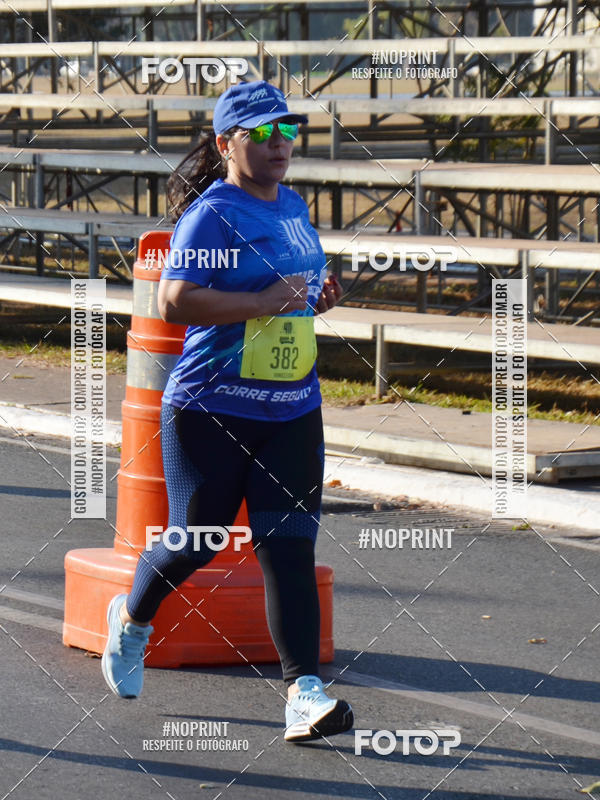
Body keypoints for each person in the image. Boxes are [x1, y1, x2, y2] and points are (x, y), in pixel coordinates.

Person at [102, 80, 352, 743]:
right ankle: (130, 620)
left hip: (292, 404)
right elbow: (175, 302)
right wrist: (266, 299)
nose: (279, 145)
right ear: (225, 143)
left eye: (286, 132)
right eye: (262, 134)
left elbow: (294, 291)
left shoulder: (294, 204)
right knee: (197, 541)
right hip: (213, 405)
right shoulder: (211, 215)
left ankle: (304, 694)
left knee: (288, 549)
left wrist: (316, 297)